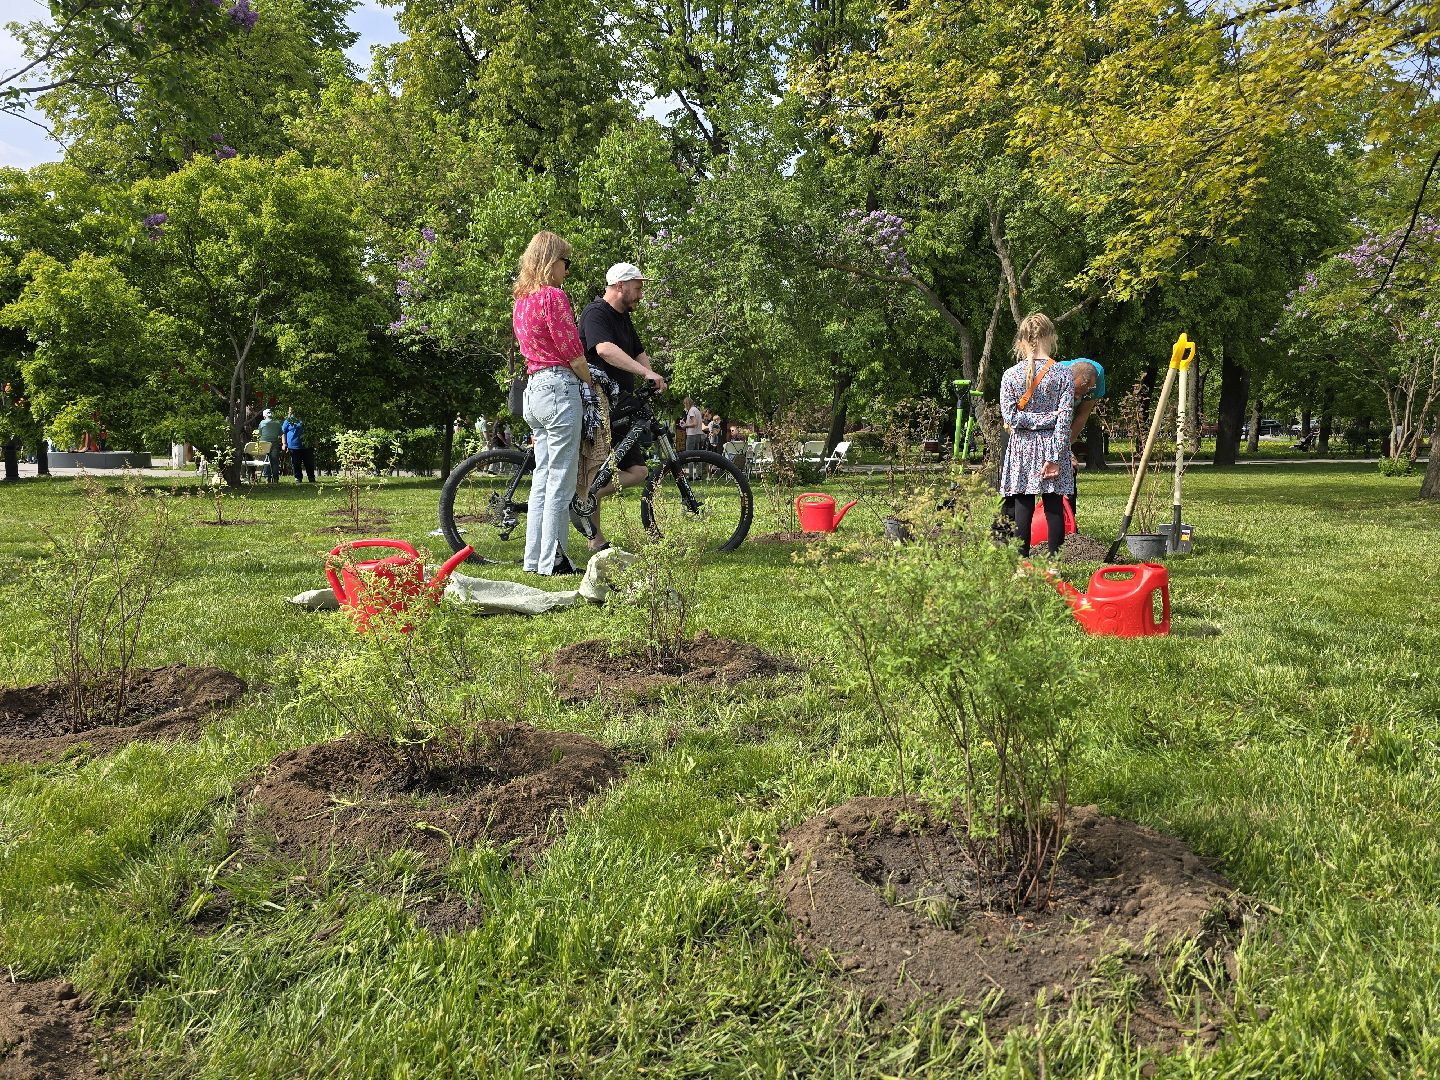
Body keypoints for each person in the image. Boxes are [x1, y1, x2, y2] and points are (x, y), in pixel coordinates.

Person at [513, 230, 592, 576]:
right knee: (561, 477)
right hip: (558, 387)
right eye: (565, 262)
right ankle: (554, 560)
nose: (567, 270)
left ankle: (535, 559)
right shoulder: (553, 298)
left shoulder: (521, 301)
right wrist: (592, 384)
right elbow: (572, 352)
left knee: (542, 480)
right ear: (550, 261)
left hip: (533, 391)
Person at [577, 262, 668, 553]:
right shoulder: (596, 313)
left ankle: (581, 500)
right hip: (597, 405)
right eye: (638, 288)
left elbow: (639, 352)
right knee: (597, 466)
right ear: (620, 286)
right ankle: (595, 538)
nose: (640, 294)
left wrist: (650, 374)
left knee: (638, 471)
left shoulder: (624, 318)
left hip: (621, 406)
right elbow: (603, 349)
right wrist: (645, 374)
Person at [1000, 312, 1074, 557]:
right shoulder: (1064, 374)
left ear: (1021, 340)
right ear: (1051, 337)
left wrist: (1031, 422)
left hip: (1021, 446)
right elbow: (1064, 421)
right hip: (1053, 444)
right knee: (1053, 506)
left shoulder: (1010, 375)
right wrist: (1053, 455)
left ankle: (1023, 565)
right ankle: (1054, 564)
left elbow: (1011, 417)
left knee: (1023, 505)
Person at [1060, 357, 1105, 514]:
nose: (1079, 397)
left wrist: (1067, 447)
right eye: (1076, 392)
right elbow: (1048, 419)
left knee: (1069, 468)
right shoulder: (1055, 375)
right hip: (1036, 428)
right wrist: (1060, 451)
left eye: (1084, 393)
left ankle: (1069, 528)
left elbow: (1082, 416)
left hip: (1062, 432)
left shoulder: (1097, 375)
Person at [282, 406, 316, 482]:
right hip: (293, 446)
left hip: (307, 445)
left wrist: (315, 442)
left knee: (309, 463)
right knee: (296, 463)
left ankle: (311, 477)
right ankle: (298, 478)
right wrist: (284, 444)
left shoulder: (307, 419)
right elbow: (283, 432)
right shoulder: (289, 420)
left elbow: (313, 431)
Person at [257, 408, 283, 482]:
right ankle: (276, 478)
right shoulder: (277, 423)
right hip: (274, 443)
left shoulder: (262, 423)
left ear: (264, 416)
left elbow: (260, 433)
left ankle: (267, 477)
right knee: (274, 460)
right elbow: (280, 433)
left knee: (265, 460)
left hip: (264, 443)